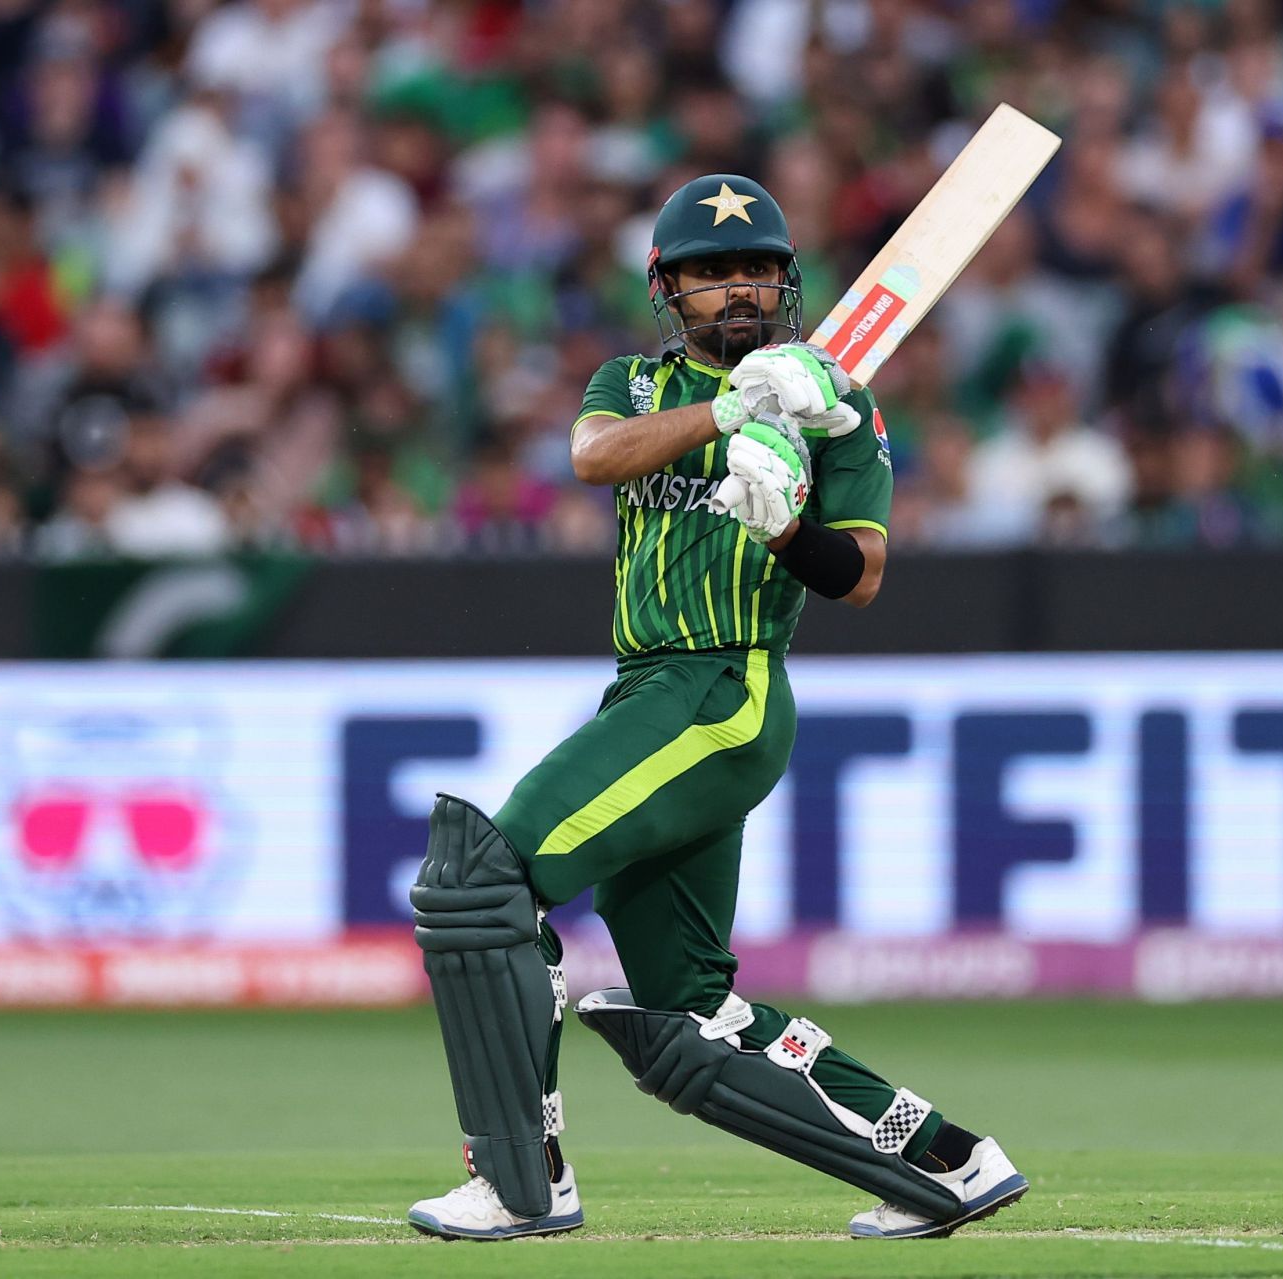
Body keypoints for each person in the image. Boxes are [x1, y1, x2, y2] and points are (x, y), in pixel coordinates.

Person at [405, 174, 1028, 1242]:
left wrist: (787, 527)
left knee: (482, 879)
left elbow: (863, 573)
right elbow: (592, 455)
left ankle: (520, 1179)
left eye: (756, 271)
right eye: (709, 274)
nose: (735, 291)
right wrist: (738, 410)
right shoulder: (635, 383)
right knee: (691, 1009)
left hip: (723, 686)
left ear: (786, 284)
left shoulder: (838, 406)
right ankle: (946, 1158)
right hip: (653, 688)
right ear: (668, 290)